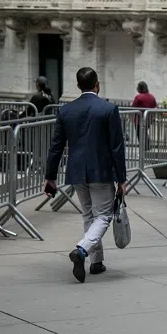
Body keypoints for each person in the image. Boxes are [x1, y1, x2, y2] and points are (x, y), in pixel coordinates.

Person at [45, 68, 128, 283]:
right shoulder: (108, 109)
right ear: (97, 84)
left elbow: (56, 146)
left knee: (88, 215)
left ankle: (96, 262)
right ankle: (82, 250)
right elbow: (117, 147)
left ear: (77, 85)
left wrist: (50, 176)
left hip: (76, 170)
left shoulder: (66, 110)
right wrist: (122, 178)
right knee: (103, 216)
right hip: (101, 170)